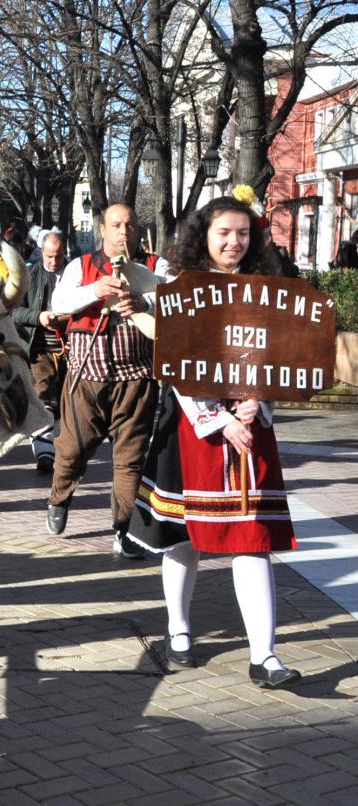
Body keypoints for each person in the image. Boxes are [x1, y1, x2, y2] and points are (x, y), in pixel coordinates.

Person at [127, 196, 300, 689]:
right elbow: (177, 360)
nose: (234, 242)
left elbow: (283, 354)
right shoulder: (180, 289)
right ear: (204, 234)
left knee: (254, 539)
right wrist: (219, 418)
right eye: (224, 232)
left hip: (252, 427)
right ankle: (179, 630)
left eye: (243, 233)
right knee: (184, 538)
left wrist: (257, 399)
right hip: (195, 425)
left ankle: (264, 656)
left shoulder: (268, 290)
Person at [46, 204, 169, 560]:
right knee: (71, 450)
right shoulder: (80, 266)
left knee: (130, 460)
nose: (123, 232)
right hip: (86, 376)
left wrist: (143, 302)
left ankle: (124, 530)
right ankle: (59, 498)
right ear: (102, 229)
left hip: (136, 379)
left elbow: (175, 295)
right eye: (116, 225)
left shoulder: (155, 265)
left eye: (130, 225)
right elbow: (60, 302)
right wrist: (97, 289)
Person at [11, 230, 69, 473]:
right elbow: (15, 311)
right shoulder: (29, 274)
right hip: (39, 347)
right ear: (41, 252)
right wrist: (39, 317)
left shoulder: (75, 274)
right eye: (49, 256)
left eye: (58, 256)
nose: (53, 262)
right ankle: (45, 453)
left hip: (71, 347)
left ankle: (64, 452)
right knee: (43, 394)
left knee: (68, 401)